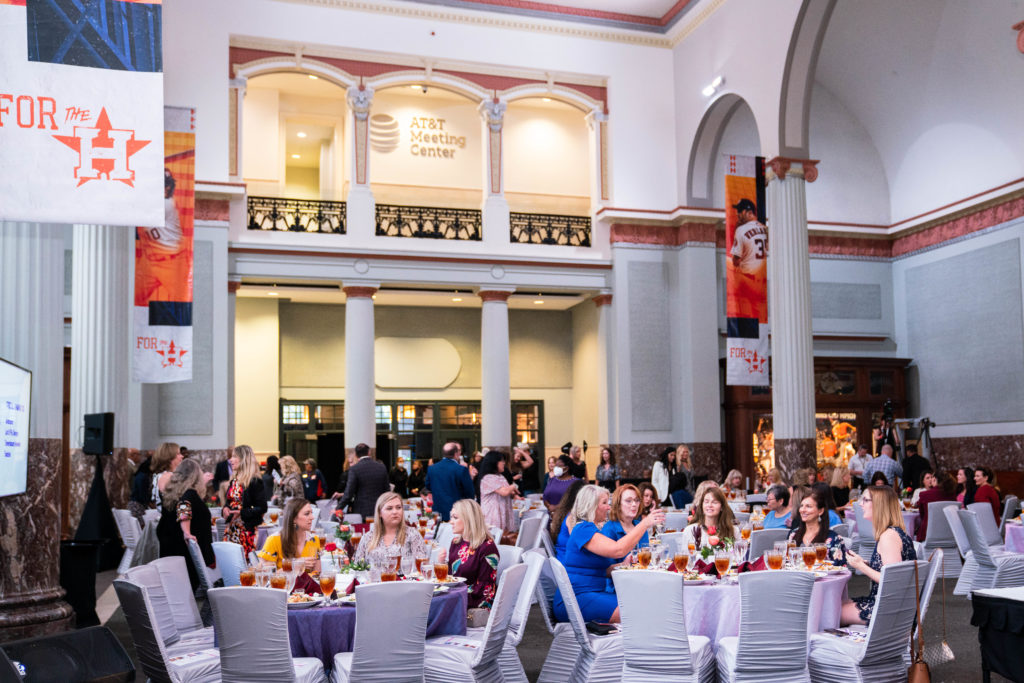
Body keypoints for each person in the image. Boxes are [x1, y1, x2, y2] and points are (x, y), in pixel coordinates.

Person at [553, 485, 665, 624]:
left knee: (641, 604)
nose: (608, 507)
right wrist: (645, 524)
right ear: (592, 505)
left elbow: (599, 569)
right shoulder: (582, 529)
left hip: (592, 593)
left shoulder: (592, 529)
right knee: (634, 612)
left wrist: (622, 565)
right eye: (604, 503)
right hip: (575, 599)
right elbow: (618, 549)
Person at [841, 485, 917, 626]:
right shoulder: (893, 532)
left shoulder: (889, 537)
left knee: (832, 613)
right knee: (837, 605)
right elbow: (891, 569)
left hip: (890, 611)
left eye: (865, 500)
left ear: (879, 505)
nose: (860, 504)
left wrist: (860, 567)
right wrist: (865, 564)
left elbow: (892, 580)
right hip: (893, 605)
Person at [157, 458, 214, 591]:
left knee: (176, 590)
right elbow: (184, 507)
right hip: (186, 555)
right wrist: (187, 532)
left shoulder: (172, 493)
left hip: (171, 549)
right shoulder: (189, 494)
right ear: (195, 476)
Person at [446, 499, 500, 610]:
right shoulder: (456, 543)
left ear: (469, 519)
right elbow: (451, 578)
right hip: (456, 597)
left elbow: (485, 589)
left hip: (476, 604)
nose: (451, 521)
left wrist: (452, 595)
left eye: (455, 518)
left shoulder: (487, 547)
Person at [353, 492, 428, 568]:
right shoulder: (367, 538)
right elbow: (358, 569)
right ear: (379, 513)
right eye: (389, 508)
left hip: (406, 579)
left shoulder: (412, 534)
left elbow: (423, 567)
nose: (395, 512)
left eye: (398, 507)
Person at [222, 444, 267, 557]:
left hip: (247, 531)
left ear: (244, 459)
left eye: (234, 457)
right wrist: (225, 508)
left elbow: (262, 507)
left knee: (245, 565)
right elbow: (229, 501)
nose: (231, 460)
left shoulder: (254, 481)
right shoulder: (234, 480)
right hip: (232, 529)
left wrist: (241, 513)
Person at [729, 198, 768, 320]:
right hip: (764, 280)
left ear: (748, 212)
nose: (737, 214)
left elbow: (735, 260)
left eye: (740, 211)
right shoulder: (765, 229)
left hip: (748, 280)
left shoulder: (741, 230)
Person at [788, 487, 848, 566]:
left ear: (820, 511)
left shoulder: (834, 539)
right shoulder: (793, 535)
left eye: (808, 506)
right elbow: (787, 563)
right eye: (801, 506)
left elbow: (840, 569)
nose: (802, 510)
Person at [258, 497, 321, 572]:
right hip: (283, 583)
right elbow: (265, 577)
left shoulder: (314, 539)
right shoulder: (274, 540)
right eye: (307, 514)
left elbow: (317, 574)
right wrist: (295, 565)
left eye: (311, 513)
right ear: (293, 518)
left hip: (307, 584)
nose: (312, 517)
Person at [335, 443, 390, 522]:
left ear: (356, 456)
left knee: (364, 532)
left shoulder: (354, 469)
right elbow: (387, 491)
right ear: (369, 453)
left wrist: (338, 508)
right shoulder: (381, 467)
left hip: (361, 511)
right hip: (380, 510)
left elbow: (348, 494)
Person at [423, 441, 476, 521]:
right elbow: (470, 493)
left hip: (438, 508)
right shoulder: (461, 469)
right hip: (457, 510)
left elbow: (428, 486)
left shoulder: (432, 468)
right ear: (456, 454)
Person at [681, 486, 739, 551]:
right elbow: (685, 558)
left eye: (714, 502)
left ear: (722, 507)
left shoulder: (733, 531)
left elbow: (738, 557)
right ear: (702, 506)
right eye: (706, 502)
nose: (710, 505)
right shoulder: (690, 531)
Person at [600, 484, 650, 559]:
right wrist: (624, 564)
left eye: (637, 500)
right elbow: (607, 568)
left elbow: (646, 558)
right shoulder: (609, 529)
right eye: (628, 501)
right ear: (618, 504)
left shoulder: (640, 525)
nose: (634, 504)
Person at [478, 450, 518, 533]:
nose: (504, 463)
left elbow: (510, 493)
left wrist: (512, 491)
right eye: (502, 461)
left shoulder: (500, 477)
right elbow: (505, 492)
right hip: (492, 516)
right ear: (494, 462)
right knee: (494, 540)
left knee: (504, 540)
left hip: (503, 513)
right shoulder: (488, 478)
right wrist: (514, 486)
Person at [549, 480, 585, 561]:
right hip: (569, 563)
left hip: (563, 558)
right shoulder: (573, 517)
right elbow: (578, 542)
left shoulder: (564, 513)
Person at [915, 471, 957, 542]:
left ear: (934, 479)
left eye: (931, 477)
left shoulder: (924, 495)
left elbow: (922, 515)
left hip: (928, 534)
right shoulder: (952, 494)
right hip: (949, 533)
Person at [151, 442, 183, 508]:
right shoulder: (168, 477)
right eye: (178, 454)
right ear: (170, 457)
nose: (182, 456)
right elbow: (176, 502)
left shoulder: (165, 475)